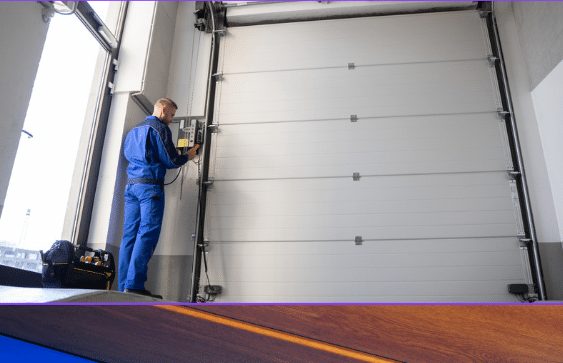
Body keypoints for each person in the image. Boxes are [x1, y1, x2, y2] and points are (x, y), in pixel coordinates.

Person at [118, 98, 198, 298]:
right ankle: (134, 285)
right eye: (171, 114)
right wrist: (188, 155)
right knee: (147, 233)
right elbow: (171, 161)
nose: (171, 119)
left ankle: (123, 289)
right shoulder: (159, 129)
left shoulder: (134, 131)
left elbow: (130, 154)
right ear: (162, 110)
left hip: (131, 187)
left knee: (129, 236)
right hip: (149, 189)